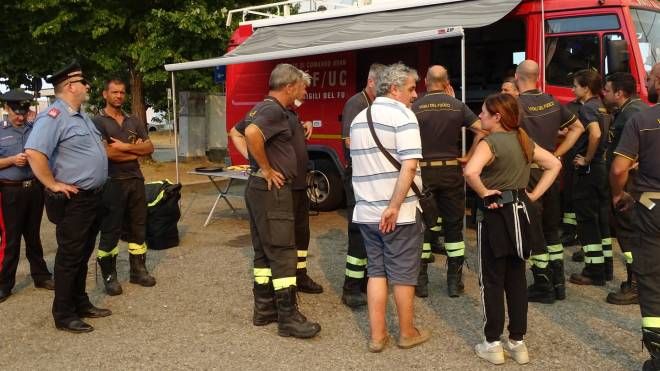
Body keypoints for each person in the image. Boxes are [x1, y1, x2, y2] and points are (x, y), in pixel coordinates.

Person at [464, 93, 561, 365]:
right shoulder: (523, 140)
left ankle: (492, 343)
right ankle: (517, 342)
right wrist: (532, 195)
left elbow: (470, 172)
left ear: (497, 116)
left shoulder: (490, 142)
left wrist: (484, 192)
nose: (480, 116)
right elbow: (555, 164)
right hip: (522, 212)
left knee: (492, 280)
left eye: (484, 112)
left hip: (496, 214)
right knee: (516, 279)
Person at [232, 63, 320, 339]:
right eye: (303, 86)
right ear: (289, 86)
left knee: (263, 252)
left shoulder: (277, 110)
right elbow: (249, 133)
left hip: (262, 190)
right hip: (272, 192)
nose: (305, 90)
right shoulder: (271, 109)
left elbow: (237, 132)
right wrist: (266, 168)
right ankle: (288, 318)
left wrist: (259, 163)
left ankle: (265, 309)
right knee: (283, 252)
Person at [25, 61, 112, 333]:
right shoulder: (53, 116)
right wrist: (52, 183)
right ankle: (63, 313)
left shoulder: (81, 116)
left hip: (93, 197)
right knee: (70, 256)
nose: (88, 86)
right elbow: (34, 152)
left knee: (83, 252)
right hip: (75, 200)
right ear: (71, 86)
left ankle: (80, 302)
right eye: (84, 82)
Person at [351, 62, 429, 352]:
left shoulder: (359, 119)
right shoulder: (404, 116)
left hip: (367, 212)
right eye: (410, 88)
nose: (415, 95)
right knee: (404, 275)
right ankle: (407, 332)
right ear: (394, 89)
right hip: (399, 213)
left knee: (376, 273)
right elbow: (409, 165)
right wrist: (395, 206)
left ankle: (377, 336)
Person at [514, 60, 584, 304]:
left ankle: (542, 284)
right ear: (538, 76)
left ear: (517, 77)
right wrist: (557, 153)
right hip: (552, 173)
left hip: (529, 173)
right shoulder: (553, 101)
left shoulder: (516, 104)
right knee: (551, 228)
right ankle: (558, 283)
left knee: (533, 229)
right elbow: (578, 128)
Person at [411, 65, 481, 298]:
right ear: (446, 81)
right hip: (451, 171)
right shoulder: (457, 105)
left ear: (426, 82)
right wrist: (469, 156)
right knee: (453, 227)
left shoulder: (415, 106)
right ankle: (454, 283)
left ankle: (421, 283)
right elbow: (482, 130)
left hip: (423, 173)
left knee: (424, 226)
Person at [609, 62, 660, 371]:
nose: (647, 81)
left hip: (652, 207)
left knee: (652, 282)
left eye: (651, 78)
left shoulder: (642, 120)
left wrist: (619, 194)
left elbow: (618, 168)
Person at [92, 78, 156, 296]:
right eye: (114, 92)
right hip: (112, 183)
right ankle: (110, 277)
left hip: (135, 181)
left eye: (122, 92)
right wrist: (134, 149)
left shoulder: (134, 120)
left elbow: (149, 148)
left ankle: (138, 270)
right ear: (105, 94)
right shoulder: (97, 122)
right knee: (111, 230)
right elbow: (107, 153)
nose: (118, 96)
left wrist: (125, 147)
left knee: (138, 227)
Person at [0, 89, 54, 303]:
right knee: (10, 240)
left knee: (33, 236)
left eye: (23, 112)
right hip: (9, 190)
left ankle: (41, 276)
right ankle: (4, 284)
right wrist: (12, 160)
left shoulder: (34, 130)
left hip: (33, 189)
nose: (20, 117)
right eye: (15, 112)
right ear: (6, 108)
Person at [340, 63, 385, 308]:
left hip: (369, 178)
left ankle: (368, 280)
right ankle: (350, 288)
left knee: (370, 230)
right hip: (357, 177)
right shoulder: (355, 104)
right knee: (357, 232)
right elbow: (349, 141)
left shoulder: (374, 104)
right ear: (370, 82)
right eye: (382, 86)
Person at [602, 72, 648, 305]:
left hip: (630, 185)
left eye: (608, 90)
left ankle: (637, 284)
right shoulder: (628, 111)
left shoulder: (634, 113)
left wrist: (636, 163)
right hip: (629, 182)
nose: (604, 93)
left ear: (619, 93)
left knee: (630, 235)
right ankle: (635, 279)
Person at [568, 69, 613, 286]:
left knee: (586, 221)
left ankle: (593, 271)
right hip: (602, 169)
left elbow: (594, 134)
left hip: (589, 170)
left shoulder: (586, 109)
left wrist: (586, 158)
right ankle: (606, 268)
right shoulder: (604, 107)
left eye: (575, 86)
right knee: (601, 219)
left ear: (586, 88)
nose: (572, 89)